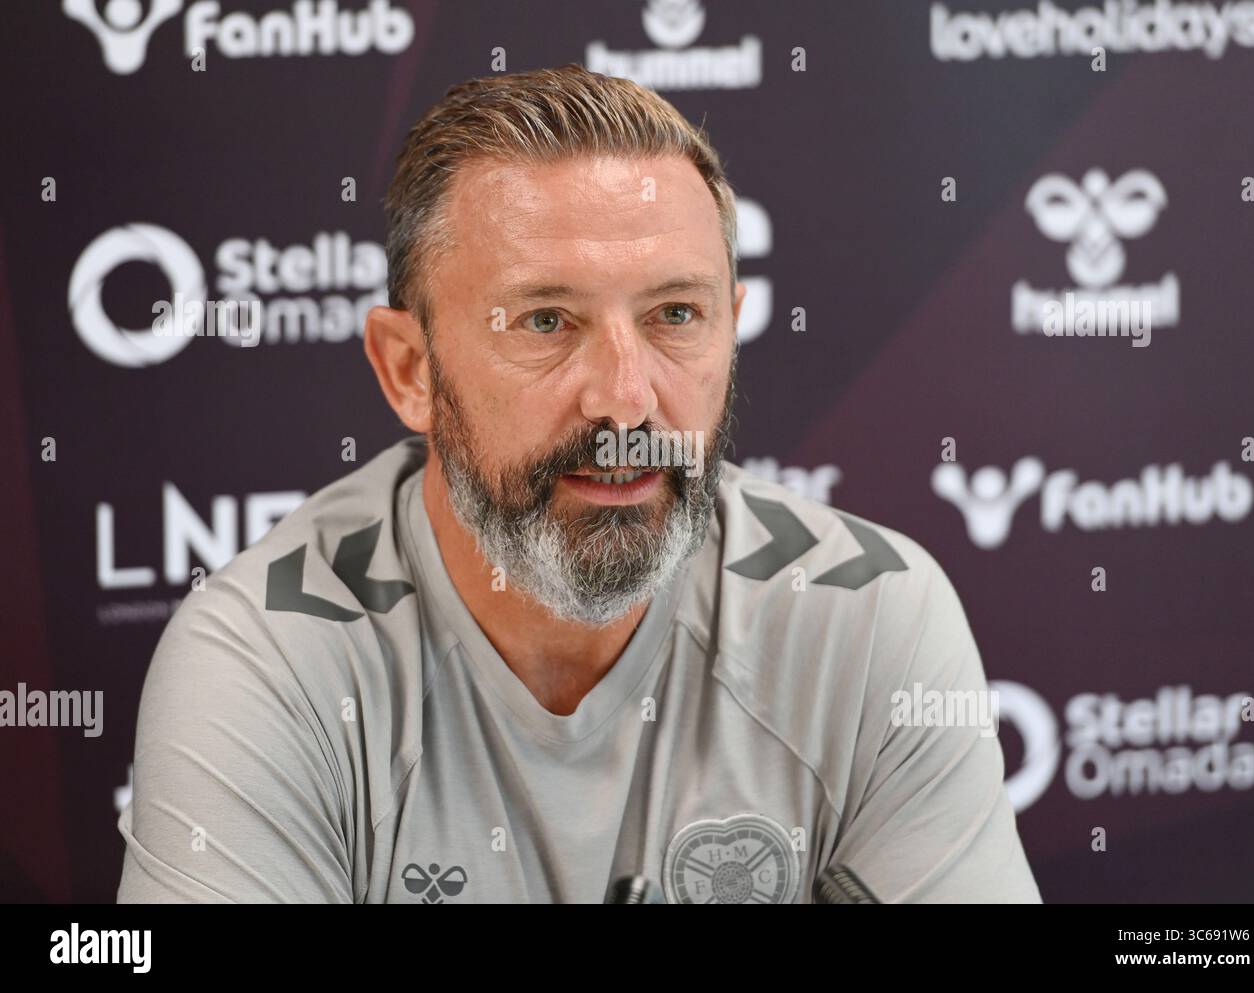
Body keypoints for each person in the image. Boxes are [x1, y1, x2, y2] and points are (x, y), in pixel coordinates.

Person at [116, 63, 1041, 904]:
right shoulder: (270, 664)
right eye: (545, 321)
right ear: (410, 371)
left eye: (676, 314)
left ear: (733, 326)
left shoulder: (867, 615)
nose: (627, 402)